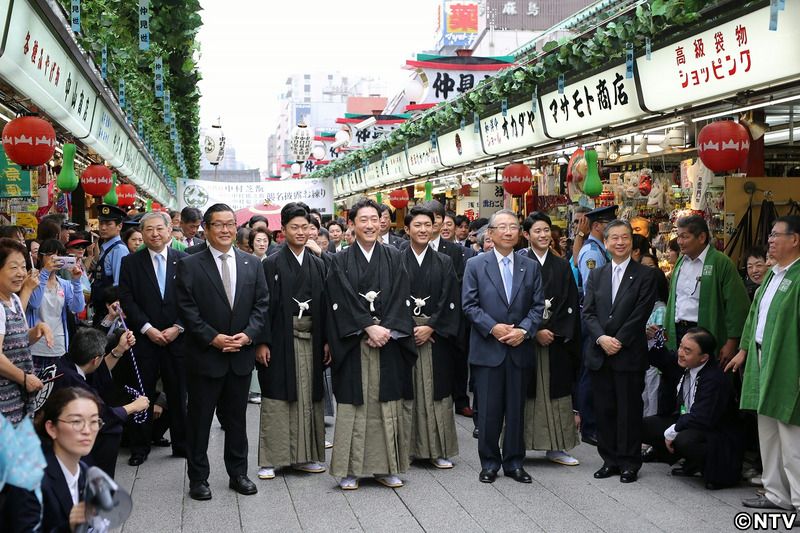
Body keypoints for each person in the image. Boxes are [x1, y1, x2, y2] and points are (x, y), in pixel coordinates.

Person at [176, 203, 270, 501]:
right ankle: (198, 478)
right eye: (219, 224)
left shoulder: (251, 263)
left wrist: (249, 335)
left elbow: (261, 304)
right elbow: (187, 310)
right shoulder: (190, 263)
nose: (226, 230)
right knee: (200, 420)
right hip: (206, 356)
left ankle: (238, 473)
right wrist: (212, 338)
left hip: (240, 355)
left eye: (230, 224)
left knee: (237, 420)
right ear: (205, 227)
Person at [325, 198, 416, 490]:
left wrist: (385, 328)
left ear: (381, 222)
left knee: (386, 404)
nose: (368, 225)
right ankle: (349, 470)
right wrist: (367, 326)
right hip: (354, 343)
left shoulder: (394, 256)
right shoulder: (340, 260)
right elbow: (339, 298)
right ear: (352, 224)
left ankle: (385, 467)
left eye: (373, 219)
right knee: (354, 405)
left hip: (387, 342)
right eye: (362, 219)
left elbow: (402, 294)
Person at [462, 209, 544, 484]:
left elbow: (537, 306)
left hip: (519, 348)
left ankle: (514, 462)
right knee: (487, 410)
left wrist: (524, 330)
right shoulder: (476, 264)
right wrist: (493, 327)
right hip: (488, 349)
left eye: (513, 227)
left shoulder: (530, 266)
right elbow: (469, 305)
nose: (508, 232)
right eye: (503, 227)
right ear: (491, 234)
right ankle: (489, 462)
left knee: (516, 410)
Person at [727, 216, 800, 511]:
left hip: (787, 363)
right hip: (761, 358)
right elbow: (754, 314)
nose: (769, 240)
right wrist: (744, 350)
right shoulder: (772, 274)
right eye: (769, 235)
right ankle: (776, 493)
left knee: (791, 434)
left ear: (795, 239)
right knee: (767, 431)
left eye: (775, 235)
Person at [256, 203, 329, 480]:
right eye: (294, 227)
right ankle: (272, 458)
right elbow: (262, 306)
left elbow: (324, 305)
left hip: (311, 337)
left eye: (305, 227)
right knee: (277, 396)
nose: (301, 232)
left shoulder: (318, 263)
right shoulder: (272, 263)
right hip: (280, 338)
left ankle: (305, 456)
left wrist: (326, 341)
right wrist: (262, 342)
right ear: (283, 230)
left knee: (309, 396)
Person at [582, 219, 657, 483]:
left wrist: (618, 340)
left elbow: (640, 314)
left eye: (625, 237)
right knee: (604, 409)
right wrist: (602, 338)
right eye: (614, 238)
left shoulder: (646, 275)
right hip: (600, 352)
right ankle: (609, 459)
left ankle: (629, 462)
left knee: (629, 410)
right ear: (606, 243)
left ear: (631, 241)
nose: (620, 242)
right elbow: (588, 311)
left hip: (629, 353)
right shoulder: (596, 274)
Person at [118, 211, 189, 466]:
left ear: (170, 230)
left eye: (160, 228)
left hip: (176, 339)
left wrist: (178, 327)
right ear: (142, 232)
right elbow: (127, 299)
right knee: (141, 393)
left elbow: (191, 300)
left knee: (178, 393)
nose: (155, 234)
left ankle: (182, 444)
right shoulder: (131, 263)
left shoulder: (185, 260)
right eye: (149, 229)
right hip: (144, 340)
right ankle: (140, 446)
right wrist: (147, 328)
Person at [642, 327, 743, 489]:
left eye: (687, 350)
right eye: (681, 346)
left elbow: (702, 417)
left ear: (704, 358)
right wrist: (653, 339)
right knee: (644, 426)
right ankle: (690, 463)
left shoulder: (714, 379)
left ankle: (713, 470)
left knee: (684, 439)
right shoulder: (686, 362)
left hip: (714, 433)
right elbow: (663, 360)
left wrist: (672, 431)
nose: (680, 352)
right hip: (689, 421)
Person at [519, 212, 581, 466]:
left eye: (546, 230)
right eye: (537, 231)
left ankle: (557, 446)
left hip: (555, 339)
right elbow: (514, 303)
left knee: (556, 391)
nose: (543, 235)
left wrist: (552, 330)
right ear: (526, 235)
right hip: (526, 339)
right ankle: (517, 445)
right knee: (524, 392)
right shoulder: (519, 263)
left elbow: (570, 304)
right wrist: (535, 330)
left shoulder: (562, 265)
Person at [402, 206, 461, 468]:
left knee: (437, 391)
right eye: (417, 225)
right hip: (405, 334)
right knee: (407, 391)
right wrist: (407, 328)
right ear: (407, 229)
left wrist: (432, 326)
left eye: (428, 224)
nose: (423, 229)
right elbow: (390, 299)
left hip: (436, 335)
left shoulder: (444, 262)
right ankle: (408, 449)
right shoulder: (396, 259)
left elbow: (451, 299)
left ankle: (438, 449)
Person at [50, 327, 145, 477]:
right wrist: (135, 406)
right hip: (53, 440)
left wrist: (119, 350)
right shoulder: (75, 385)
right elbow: (104, 415)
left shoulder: (64, 362)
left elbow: (96, 372)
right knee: (111, 430)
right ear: (95, 360)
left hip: (49, 427)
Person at [664, 215, 749, 366]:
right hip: (679, 332)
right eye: (679, 236)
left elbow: (737, 306)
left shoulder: (721, 263)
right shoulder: (680, 262)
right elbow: (674, 300)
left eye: (685, 236)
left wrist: (732, 342)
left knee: (707, 380)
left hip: (704, 332)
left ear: (702, 237)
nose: (680, 242)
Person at [421, 200, 476, 418]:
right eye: (427, 219)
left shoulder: (455, 251)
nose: (433, 224)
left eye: (437, 219)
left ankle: (460, 399)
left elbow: (459, 283)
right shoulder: (406, 249)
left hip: (451, 315)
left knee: (457, 358)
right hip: (420, 317)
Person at [574, 205, 616, 447]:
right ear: (599, 226)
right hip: (594, 319)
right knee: (590, 371)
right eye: (609, 225)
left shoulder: (599, 249)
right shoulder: (593, 252)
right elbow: (594, 291)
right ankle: (589, 426)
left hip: (600, 319)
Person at [35, 388, 104, 533]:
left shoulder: (84, 471)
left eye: (94, 421)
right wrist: (69, 527)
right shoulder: (32, 482)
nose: (87, 430)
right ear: (52, 428)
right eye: (76, 421)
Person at [0, 238, 50, 425]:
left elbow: (14, 343)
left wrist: (35, 332)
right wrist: (24, 378)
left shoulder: (13, 299)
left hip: (17, 399)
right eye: (13, 268)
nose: (21, 273)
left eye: (23, 267)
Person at [26, 239, 85, 373]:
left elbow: (77, 308)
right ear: (41, 257)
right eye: (50, 255)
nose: (54, 259)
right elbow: (34, 303)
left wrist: (76, 281)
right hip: (36, 346)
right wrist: (45, 272)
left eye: (58, 255)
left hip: (59, 346)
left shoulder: (64, 284)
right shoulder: (32, 280)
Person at [90, 204, 129, 326]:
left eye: (108, 224)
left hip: (110, 312)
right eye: (101, 223)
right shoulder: (105, 247)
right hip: (101, 309)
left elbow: (119, 284)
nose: (103, 227)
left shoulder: (119, 250)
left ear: (119, 226)